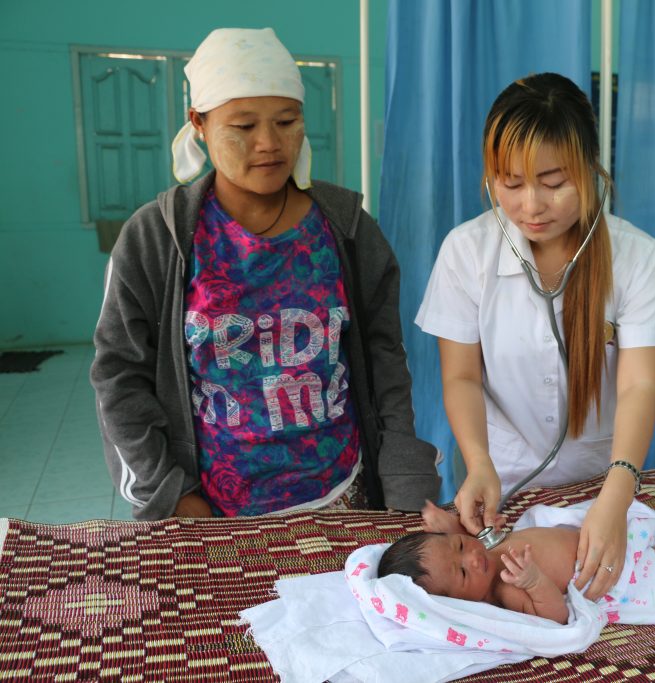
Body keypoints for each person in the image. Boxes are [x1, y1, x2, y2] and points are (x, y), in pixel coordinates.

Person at [91, 28, 440, 520]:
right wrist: (168, 493)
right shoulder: (156, 240)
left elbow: (385, 361)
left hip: (345, 496)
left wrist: (405, 480)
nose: (270, 144)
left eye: (286, 120)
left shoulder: (347, 232)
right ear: (199, 124)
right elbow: (119, 377)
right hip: (212, 512)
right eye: (244, 126)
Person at [415, 72, 655, 599]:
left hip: (602, 478)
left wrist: (617, 495)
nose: (532, 205)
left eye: (554, 182)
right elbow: (461, 376)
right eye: (511, 183)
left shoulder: (638, 257)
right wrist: (478, 461)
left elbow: (637, 387)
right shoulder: (466, 252)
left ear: (590, 168)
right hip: (502, 477)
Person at [378, 500, 655, 625]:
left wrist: (452, 526)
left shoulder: (480, 555)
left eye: (459, 545)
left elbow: (478, 542)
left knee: (636, 526)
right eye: (461, 571)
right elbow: (555, 617)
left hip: (593, 536)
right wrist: (533, 582)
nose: (471, 557)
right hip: (605, 565)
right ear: (459, 601)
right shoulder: (506, 590)